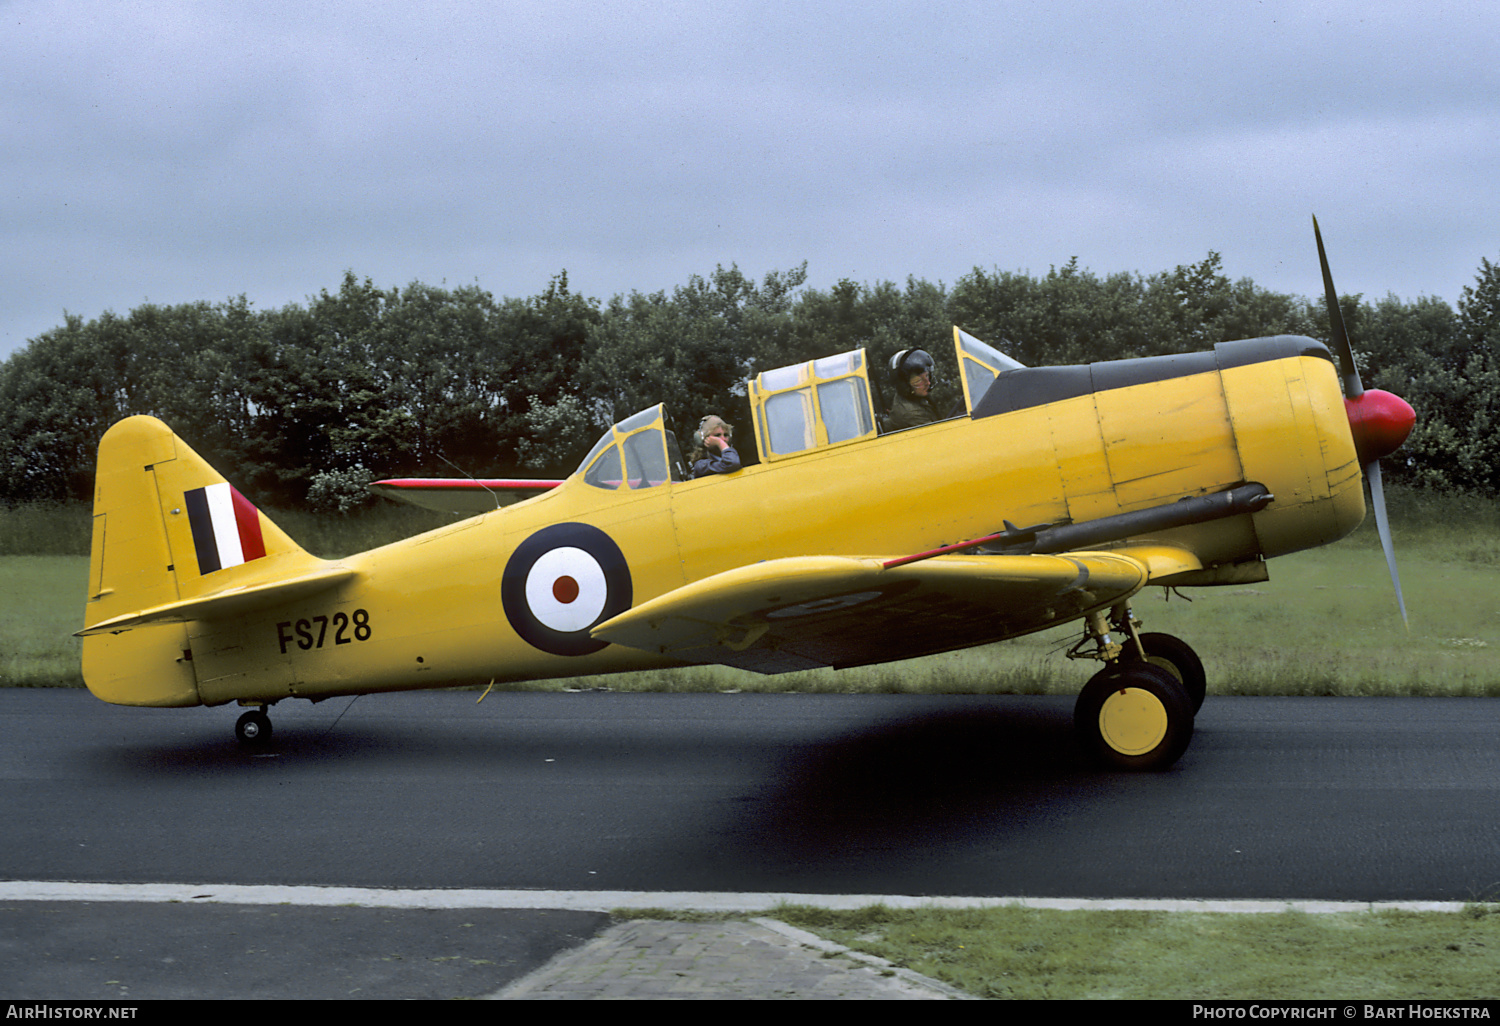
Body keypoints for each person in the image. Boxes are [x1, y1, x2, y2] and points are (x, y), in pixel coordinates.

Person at [884, 348, 938, 430]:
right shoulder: (912, 414)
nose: (928, 383)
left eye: (927, 376)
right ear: (904, 385)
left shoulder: (912, 397)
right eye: (918, 380)